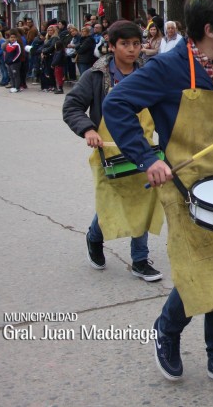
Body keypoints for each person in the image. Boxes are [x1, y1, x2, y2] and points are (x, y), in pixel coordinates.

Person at [103, 0, 213, 392]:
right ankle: (168, 329)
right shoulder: (167, 68)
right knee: (201, 268)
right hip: (185, 185)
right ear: (211, 29)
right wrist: (148, 158)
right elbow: (116, 105)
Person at [62, 20, 164, 283]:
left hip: (143, 149)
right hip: (107, 152)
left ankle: (140, 260)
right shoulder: (95, 75)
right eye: (124, 44)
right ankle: (94, 237)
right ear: (111, 46)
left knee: (142, 201)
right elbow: (72, 106)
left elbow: (164, 107)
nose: (131, 49)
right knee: (112, 202)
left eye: (136, 44)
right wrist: (88, 129)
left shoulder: (149, 73)